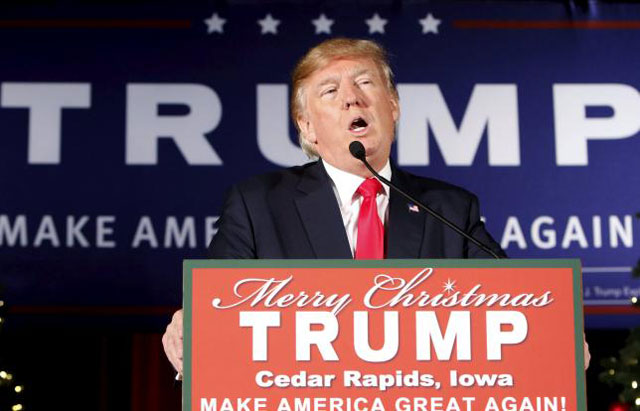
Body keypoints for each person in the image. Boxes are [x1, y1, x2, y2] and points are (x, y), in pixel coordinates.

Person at [162, 38, 588, 375]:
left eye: (365, 84)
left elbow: (511, 299)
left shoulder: (450, 208)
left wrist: (552, 331)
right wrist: (192, 319)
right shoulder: (258, 204)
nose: (352, 99)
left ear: (394, 106)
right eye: (330, 91)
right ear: (306, 126)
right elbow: (217, 306)